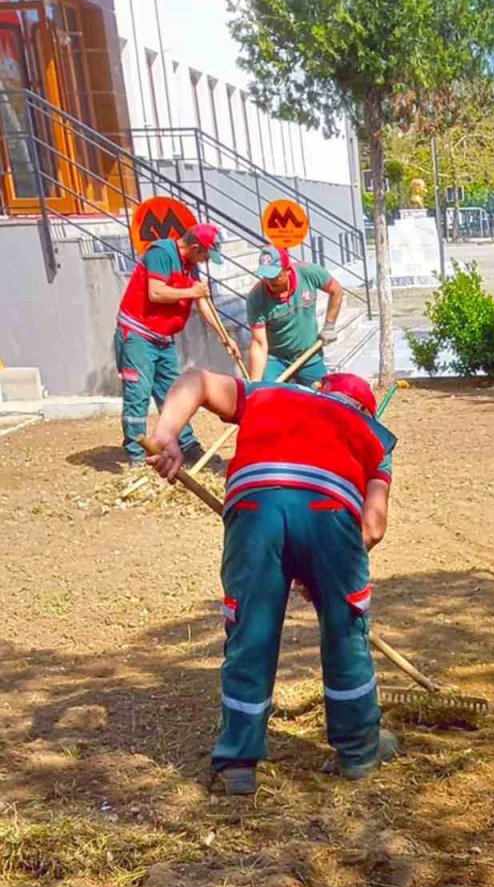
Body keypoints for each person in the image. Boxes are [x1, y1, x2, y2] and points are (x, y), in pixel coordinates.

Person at [145, 368, 398, 794]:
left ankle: (238, 765)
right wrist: (322, 574)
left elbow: (199, 381)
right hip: (329, 514)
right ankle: (359, 750)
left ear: (320, 390)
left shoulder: (271, 393)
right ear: (366, 410)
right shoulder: (375, 437)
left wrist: (167, 431)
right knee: (345, 631)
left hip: (254, 508)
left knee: (251, 633)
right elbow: (372, 526)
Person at [116, 224, 241, 466]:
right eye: (206, 255)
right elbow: (156, 293)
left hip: (163, 337)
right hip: (138, 334)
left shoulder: (191, 266)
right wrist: (191, 292)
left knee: (176, 392)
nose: (206, 262)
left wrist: (225, 337)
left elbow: (202, 301)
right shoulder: (161, 253)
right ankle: (136, 454)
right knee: (138, 393)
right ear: (195, 247)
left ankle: (186, 443)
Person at [245, 246, 344, 386]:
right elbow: (259, 344)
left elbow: (336, 290)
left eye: (276, 276)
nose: (270, 281)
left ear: (288, 270)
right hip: (276, 360)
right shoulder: (256, 297)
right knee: (269, 396)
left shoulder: (309, 273)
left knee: (323, 398)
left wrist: (329, 325)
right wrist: (253, 385)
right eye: (266, 276)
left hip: (309, 355)